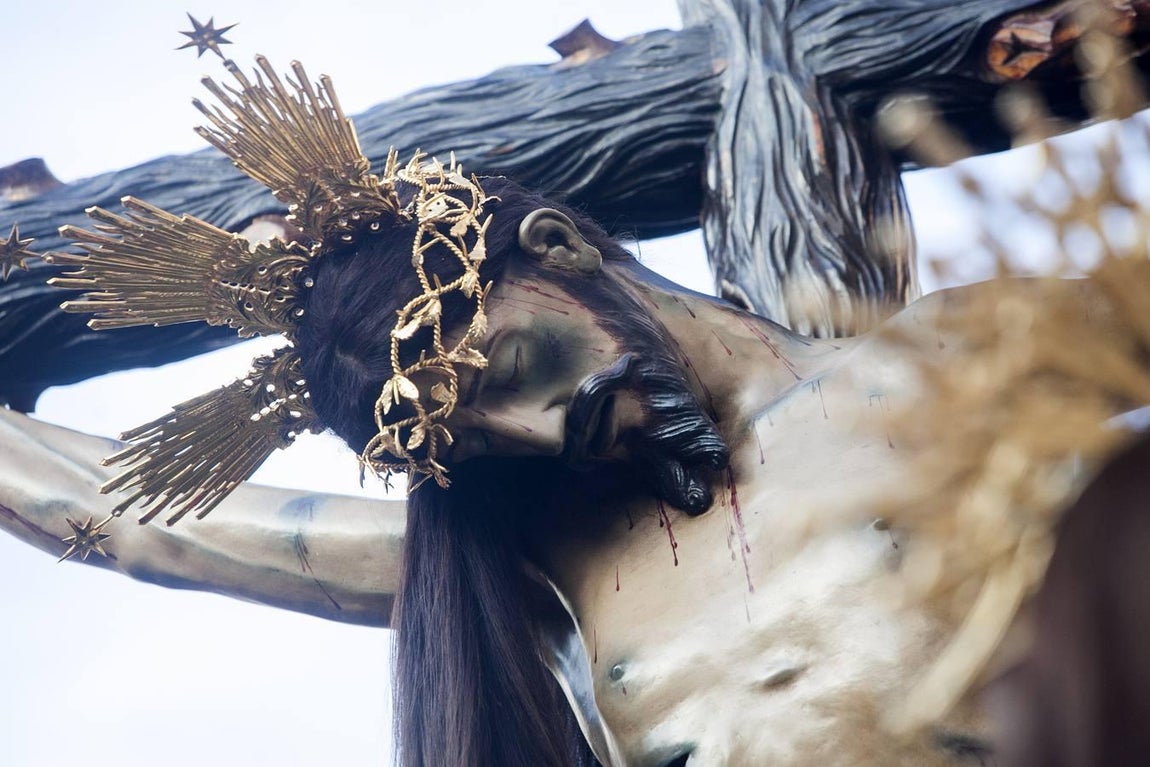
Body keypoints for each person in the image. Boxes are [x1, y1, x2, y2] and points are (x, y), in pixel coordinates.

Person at [1, 52, 1142, 767]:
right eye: (475, 441)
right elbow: (165, 528)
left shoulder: (959, 357)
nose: (545, 431)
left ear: (555, 250)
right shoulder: (551, 550)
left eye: (504, 371)